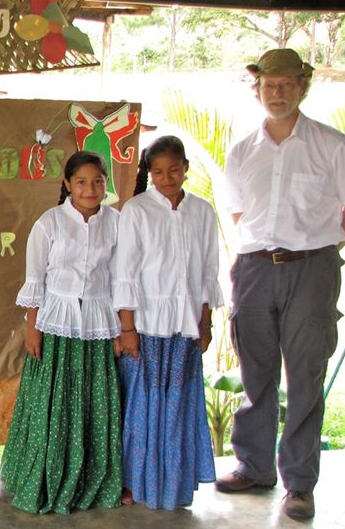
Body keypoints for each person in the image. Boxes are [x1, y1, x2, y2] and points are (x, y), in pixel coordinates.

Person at [215, 48, 345, 520]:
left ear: (302, 87)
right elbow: (240, 213)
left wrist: (321, 251)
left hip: (312, 269)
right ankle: (254, 467)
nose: (276, 93)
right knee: (256, 372)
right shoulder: (242, 149)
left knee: (304, 375)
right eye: (268, 85)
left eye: (286, 85)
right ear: (257, 89)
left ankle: (299, 483)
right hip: (256, 267)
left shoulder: (332, 144)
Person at [0, 151, 123, 514]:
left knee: (91, 403)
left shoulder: (115, 222)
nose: (90, 189)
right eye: (81, 182)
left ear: (105, 184)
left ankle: (90, 480)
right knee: (54, 403)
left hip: (98, 323)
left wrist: (119, 327)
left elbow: (119, 278)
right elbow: (36, 279)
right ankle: (46, 479)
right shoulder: (50, 223)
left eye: (98, 181)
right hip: (56, 323)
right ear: (68, 184)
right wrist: (32, 328)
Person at [114, 135, 220, 510]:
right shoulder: (137, 210)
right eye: (157, 172)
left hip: (185, 325)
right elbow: (124, 272)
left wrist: (205, 322)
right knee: (143, 406)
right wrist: (127, 328)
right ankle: (135, 483)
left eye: (173, 170)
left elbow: (208, 270)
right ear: (149, 174)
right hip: (146, 325)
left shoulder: (203, 212)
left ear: (185, 168)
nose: (166, 178)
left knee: (177, 406)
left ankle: (174, 484)